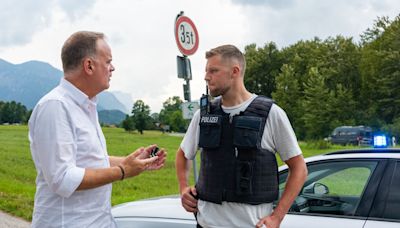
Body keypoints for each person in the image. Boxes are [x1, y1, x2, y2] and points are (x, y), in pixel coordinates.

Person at [28, 31, 167, 227]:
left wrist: (134, 162)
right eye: (108, 61)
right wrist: (122, 170)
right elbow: (62, 178)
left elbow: (89, 159)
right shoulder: (55, 106)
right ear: (89, 66)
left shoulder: (86, 107)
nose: (113, 68)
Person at [176, 44, 307, 228]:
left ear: (234, 72)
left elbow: (299, 168)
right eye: (206, 71)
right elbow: (182, 155)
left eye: (213, 70)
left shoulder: (271, 114)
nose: (206, 77)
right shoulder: (204, 115)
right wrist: (183, 188)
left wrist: (277, 217)